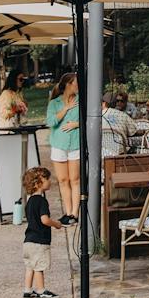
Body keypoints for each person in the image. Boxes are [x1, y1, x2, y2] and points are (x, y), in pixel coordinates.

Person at [20, 165, 65, 298]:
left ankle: (27, 291)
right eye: (47, 179)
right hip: (39, 241)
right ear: (38, 182)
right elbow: (44, 220)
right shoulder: (41, 201)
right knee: (39, 267)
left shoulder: (29, 202)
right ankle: (41, 291)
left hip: (28, 241)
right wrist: (56, 224)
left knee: (30, 266)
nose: (50, 181)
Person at [44, 72, 81, 224]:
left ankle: (75, 214)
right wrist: (66, 109)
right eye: (76, 83)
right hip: (59, 145)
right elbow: (51, 122)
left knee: (75, 180)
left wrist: (76, 124)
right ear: (68, 84)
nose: (78, 86)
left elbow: (90, 119)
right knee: (63, 180)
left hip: (75, 144)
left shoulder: (81, 101)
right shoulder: (54, 103)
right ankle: (67, 212)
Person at [100, 91, 138, 156]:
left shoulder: (98, 116)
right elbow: (133, 132)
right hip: (120, 153)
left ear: (104, 103)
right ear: (115, 103)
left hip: (101, 151)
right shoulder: (123, 115)